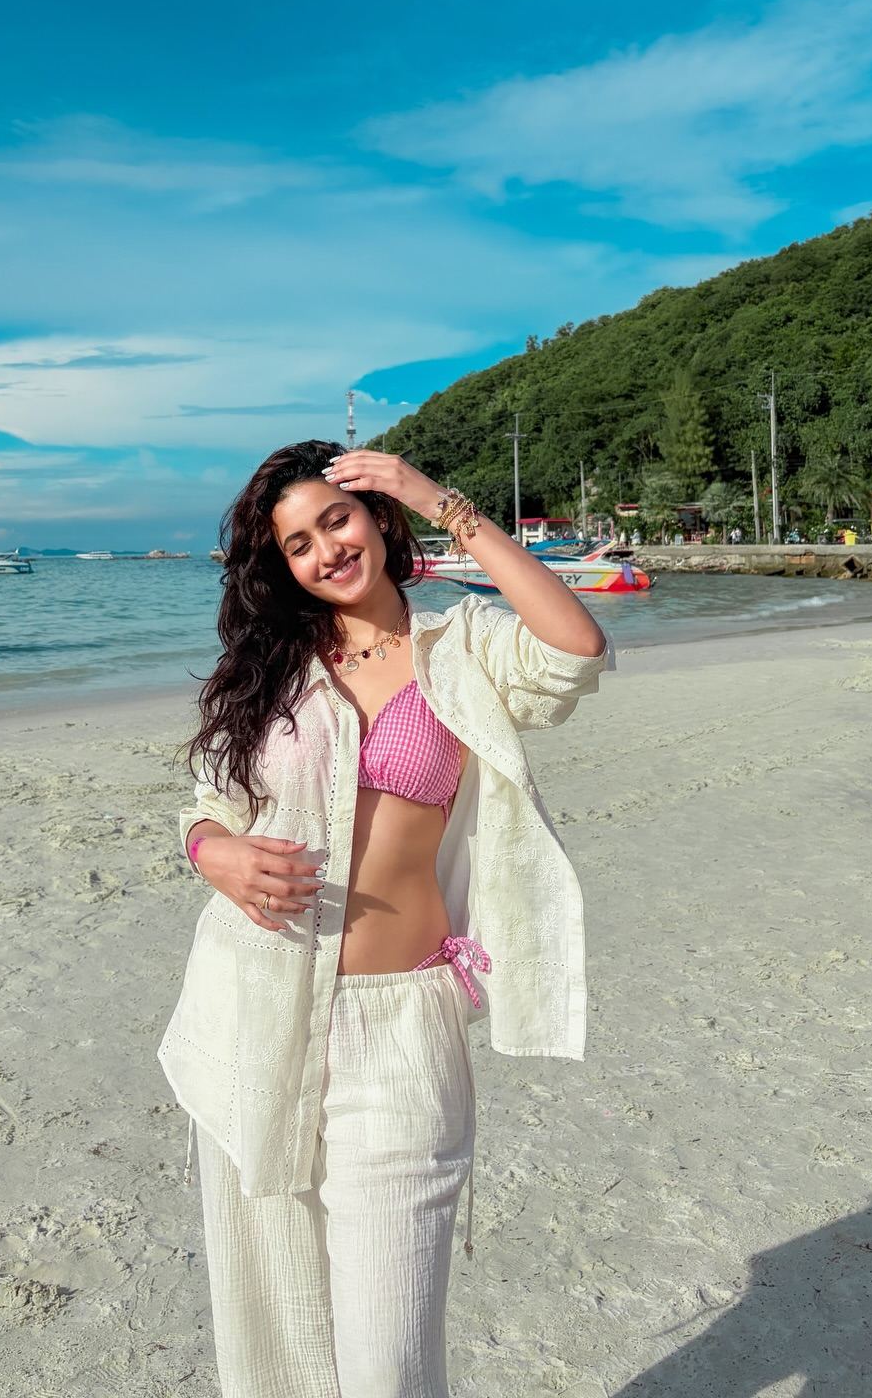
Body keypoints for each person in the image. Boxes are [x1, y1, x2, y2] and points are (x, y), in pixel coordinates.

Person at [157, 440, 608, 1397]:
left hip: (400, 1028)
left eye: (338, 520)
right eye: (298, 544)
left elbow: (576, 649)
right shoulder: (271, 670)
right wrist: (211, 852)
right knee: (273, 1332)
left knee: (387, 1360)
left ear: (378, 518)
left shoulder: (463, 645)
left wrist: (441, 501)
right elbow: (206, 802)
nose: (326, 550)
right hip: (256, 1009)